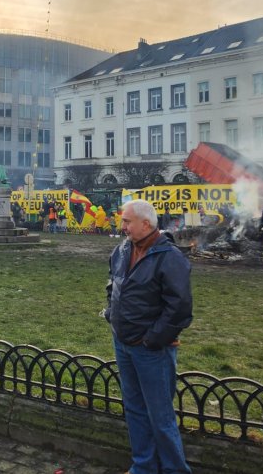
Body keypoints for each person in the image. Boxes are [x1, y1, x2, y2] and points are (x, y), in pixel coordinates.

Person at [105, 200, 193, 474]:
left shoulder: (170, 257)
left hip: (151, 349)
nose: (122, 227)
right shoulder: (122, 250)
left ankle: (174, 469)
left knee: (160, 416)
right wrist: (111, 313)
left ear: (146, 223)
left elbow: (179, 308)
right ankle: (143, 466)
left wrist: (154, 339)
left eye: (127, 222)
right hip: (124, 342)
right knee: (134, 409)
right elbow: (113, 283)